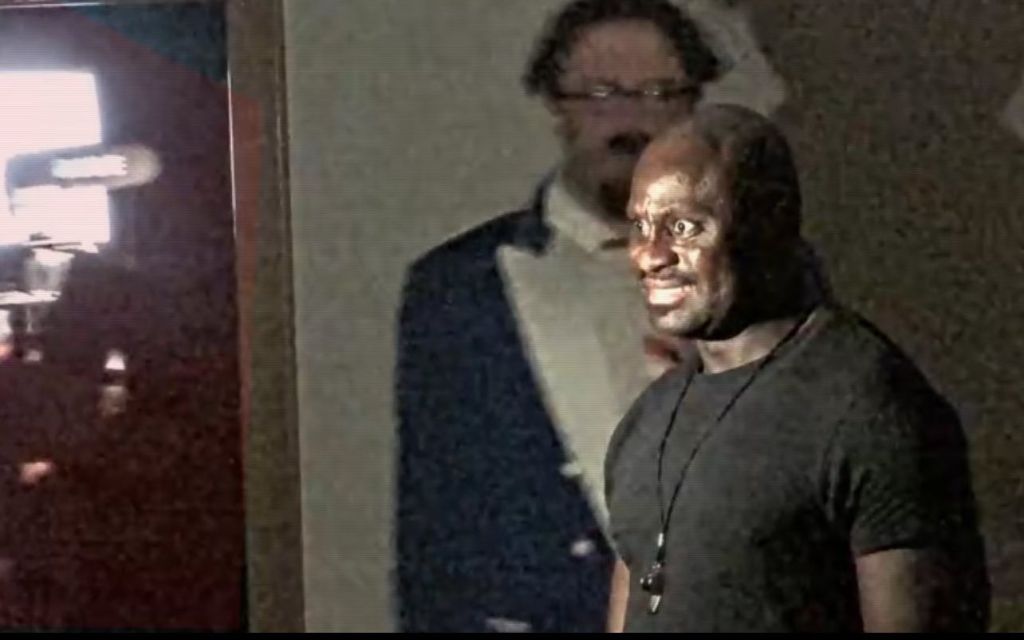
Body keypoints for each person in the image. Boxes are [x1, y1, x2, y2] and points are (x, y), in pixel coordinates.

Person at [395, 0, 722, 632]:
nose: (631, 120)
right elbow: (432, 536)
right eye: (601, 94)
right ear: (557, 106)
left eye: (659, 93)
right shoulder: (460, 289)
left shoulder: (765, 271)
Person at [604, 103, 990, 632]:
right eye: (641, 226)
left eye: (684, 227)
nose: (649, 256)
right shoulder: (647, 422)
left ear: (770, 220)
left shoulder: (870, 409)